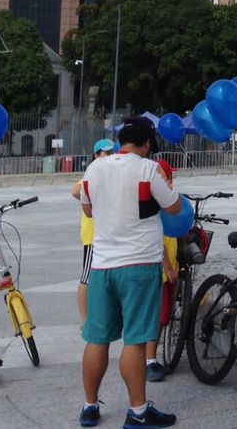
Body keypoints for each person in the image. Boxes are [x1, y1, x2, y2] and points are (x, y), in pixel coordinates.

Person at [79, 116, 181, 428]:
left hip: (102, 266)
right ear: (147, 143)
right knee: (135, 340)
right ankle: (138, 411)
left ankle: (89, 407)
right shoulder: (148, 169)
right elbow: (174, 207)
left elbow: (87, 209)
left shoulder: (95, 168)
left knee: (97, 340)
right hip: (139, 265)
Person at [71, 139, 115, 325]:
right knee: (87, 276)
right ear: (96, 155)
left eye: (112, 152)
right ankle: (85, 319)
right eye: (106, 153)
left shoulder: (108, 173)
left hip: (106, 232)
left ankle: (100, 315)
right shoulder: (93, 172)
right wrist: (93, 203)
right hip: (93, 234)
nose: (110, 156)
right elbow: (76, 190)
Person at [144, 160, 179, 383]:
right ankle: (149, 361)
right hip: (161, 272)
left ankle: (148, 358)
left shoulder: (163, 202)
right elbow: (159, 241)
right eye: (169, 177)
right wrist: (169, 268)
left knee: (159, 316)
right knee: (158, 317)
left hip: (165, 271)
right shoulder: (158, 205)